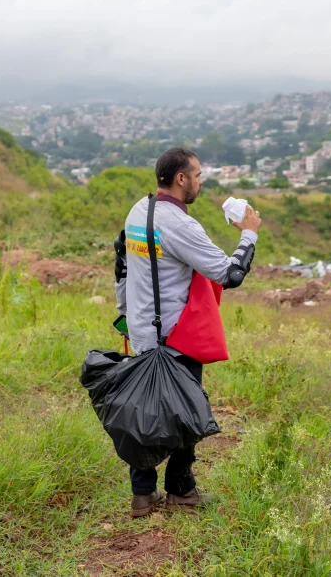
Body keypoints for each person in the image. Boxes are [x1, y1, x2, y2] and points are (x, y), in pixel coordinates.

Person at [113, 147, 261, 517]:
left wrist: (124, 313)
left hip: (143, 332)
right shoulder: (181, 225)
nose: (199, 182)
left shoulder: (138, 210)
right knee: (186, 411)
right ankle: (181, 490)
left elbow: (121, 260)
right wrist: (249, 235)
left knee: (143, 411)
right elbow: (230, 275)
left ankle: (142, 494)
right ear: (181, 178)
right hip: (175, 339)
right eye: (197, 175)